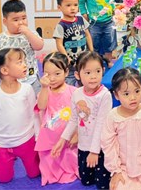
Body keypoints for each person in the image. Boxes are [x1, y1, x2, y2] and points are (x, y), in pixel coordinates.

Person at [52, 51, 112, 189]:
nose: (93, 76)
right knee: (86, 181)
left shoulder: (104, 95)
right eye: (88, 72)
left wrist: (95, 152)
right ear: (78, 75)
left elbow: (101, 125)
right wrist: (62, 140)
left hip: (100, 147)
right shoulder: (77, 93)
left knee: (103, 185)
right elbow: (74, 119)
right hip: (84, 145)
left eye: (97, 71)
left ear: (103, 71)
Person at [101, 67, 141, 190]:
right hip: (123, 169)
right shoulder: (113, 117)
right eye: (126, 94)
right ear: (116, 95)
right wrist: (115, 170)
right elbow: (108, 145)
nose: (133, 97)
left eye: (137, 91)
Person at [0, 48, 40, 183]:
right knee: (3, 179)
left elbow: (35, 114)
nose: (25, 65)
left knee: (34, 174)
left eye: (24, 61)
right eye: (19, 62)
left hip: (27, 141)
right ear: (5, 70)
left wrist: (38, 137)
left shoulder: (27, 89)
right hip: (5, 145)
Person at [35, 52, 79, 185]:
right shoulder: (44, 91)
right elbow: (41, 106)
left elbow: (80, 116)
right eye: (47, 74)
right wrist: (44, 87)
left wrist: (77, 134)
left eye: (57, 73)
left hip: (68, 135)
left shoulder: (74, 91)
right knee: (50, 160)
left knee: (70, 157)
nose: (52, 78)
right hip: (49, 136)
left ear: (66, 72)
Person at [0, 0, 44, 94]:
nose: (21, 22)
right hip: (10, 81)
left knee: (35, 100)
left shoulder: (31, 34)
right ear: (5, 21)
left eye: (24, 18)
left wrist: (28, 33)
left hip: (31, 78)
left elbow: (39, 46)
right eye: (16, 20)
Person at [79, 0, 116, 67]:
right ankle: (96, 61)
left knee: (109, 42)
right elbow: (81, 3)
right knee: (94, 43)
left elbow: (111, 0)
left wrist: (113, 10)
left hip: (108, 22)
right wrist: (84, 13)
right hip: (94, 24)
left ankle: (108, 60)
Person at [54, 0, 94, 86]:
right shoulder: (61, 25)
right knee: (70, 81)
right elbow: (59, 44)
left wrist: (91, 50)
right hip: (71, 62)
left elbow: (87, 35)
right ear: (59, 7)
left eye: (75, 5)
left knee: (85, 78)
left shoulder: (81, 20)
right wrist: (67, 58)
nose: (72, 8)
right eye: (68, 5)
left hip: (83, 58)